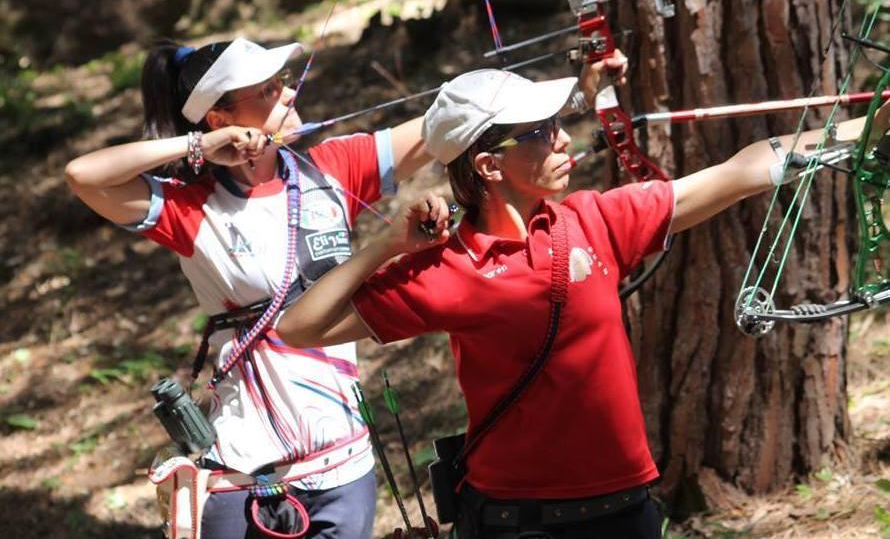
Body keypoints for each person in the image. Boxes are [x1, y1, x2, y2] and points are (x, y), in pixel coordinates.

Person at [273, 60, 887, 538]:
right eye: (542, 132)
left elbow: (743, 170)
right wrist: (386, 245)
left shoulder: (595, 221)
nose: (565, 140)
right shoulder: (447, 268)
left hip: (625, 512)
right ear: (488, 165)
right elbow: (298, 328)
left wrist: (865, 130)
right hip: (518, 522)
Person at [65, 37, 432, 538]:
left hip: (343, 464)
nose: (289, 94)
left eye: (283, 83)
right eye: (268, 90)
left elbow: (449, 124)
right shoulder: (190, 207)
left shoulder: (334, 167)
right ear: (221, 118)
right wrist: (198, 146)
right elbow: (82, 175)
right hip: (240, 475)